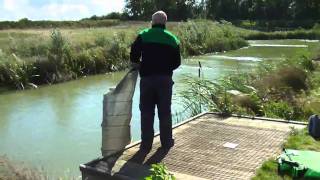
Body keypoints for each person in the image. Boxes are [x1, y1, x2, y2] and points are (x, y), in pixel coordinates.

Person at [130, 11, 181, 152]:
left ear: (152, 22)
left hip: (147, 80)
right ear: (165, 23)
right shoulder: (172, 39)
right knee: (164, 111)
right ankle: (166, 142)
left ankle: (146, 145)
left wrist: (138, 63)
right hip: (165, 80)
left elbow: (133, 54)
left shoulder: (143, 35)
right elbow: (177, 62)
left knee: (146, 112)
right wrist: (165, 69)